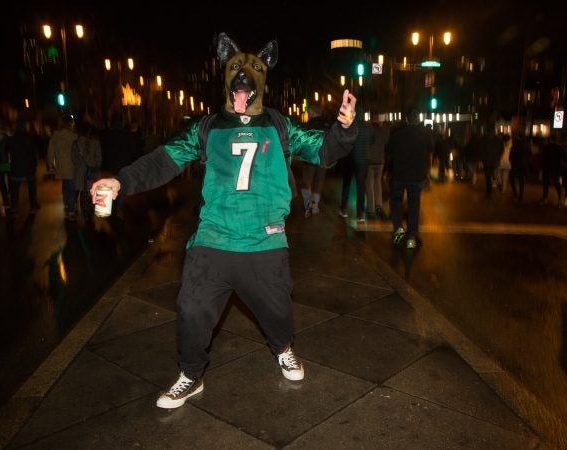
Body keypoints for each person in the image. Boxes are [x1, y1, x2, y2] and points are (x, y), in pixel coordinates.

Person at [90, 32, 358, 409]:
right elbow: (164, 160)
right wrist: (120, 181)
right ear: (225, 74)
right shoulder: (206, 127)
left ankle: (282, 348)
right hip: (213, 238)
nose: (243, 76)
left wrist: (344, 129)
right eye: (234, 67)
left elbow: (325, 150)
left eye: (253, 69)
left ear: (265, 78)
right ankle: (191, 374)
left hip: (264, 240)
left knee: (278, 311)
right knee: (191, 308)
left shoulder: (281, 126)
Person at [385, 106, 434, 250]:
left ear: (406, 118)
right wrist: (427, 175)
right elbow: (428, 157)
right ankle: (412, 235)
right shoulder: (424, 135)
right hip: (416, 176)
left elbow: (388, 153)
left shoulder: (397, 134)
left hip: (398, 175)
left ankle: (398, 230)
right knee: (414, 205)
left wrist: (387, 172)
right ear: (418, 119)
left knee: (395, 203)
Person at [338, 107, 372, 222]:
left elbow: (342, 142)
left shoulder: (348, 128)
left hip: (349, 159)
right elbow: (372, 140)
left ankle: (343, 209)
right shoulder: (367, 128)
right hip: (363, 160)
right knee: (361, 187)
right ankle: (360, 213)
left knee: (346, 184)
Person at [300, 104, 329, 218]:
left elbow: (303, 141)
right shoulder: (327, 125)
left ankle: (308, 204)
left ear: (312, 112)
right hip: (323, 157)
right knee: (319, 181)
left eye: (310, 112)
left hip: (310, 158)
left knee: (306, 180)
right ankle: (315, 204)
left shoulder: (309, 125)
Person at [7, 117, 41, 215]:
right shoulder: (29, 138)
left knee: (15, 188)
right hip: (28, 167)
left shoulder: (12, 139)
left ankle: (14, 207)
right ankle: (33, 206)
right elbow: (34, 152)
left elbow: (9, 152)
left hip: (16, 167)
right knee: (31, 187)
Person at [47, 114, 78, 220]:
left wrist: (51, 165)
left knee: (65, 185)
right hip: (72, 166)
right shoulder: (74, 136)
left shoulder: (55, 136)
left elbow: (50, 152)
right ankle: (70, 210)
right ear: (70, 124)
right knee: (71, 188)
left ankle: (66, 205)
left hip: (61, 166)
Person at [72, 121, 102, 221]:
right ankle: (93, 216)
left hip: (80, 175)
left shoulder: (75, 144)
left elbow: (74, 160)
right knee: (93, 195)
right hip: (93, 175)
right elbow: (99, 161)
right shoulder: (95, 143)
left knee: (84, 196)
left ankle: (85, 217)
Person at [365, 121, 389, 219]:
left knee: (369, 185)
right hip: (380, 161)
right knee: (377, 183)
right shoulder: (383, 132)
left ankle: (371, 209)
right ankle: (379, 206)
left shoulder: (368, 132)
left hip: (369, 161)